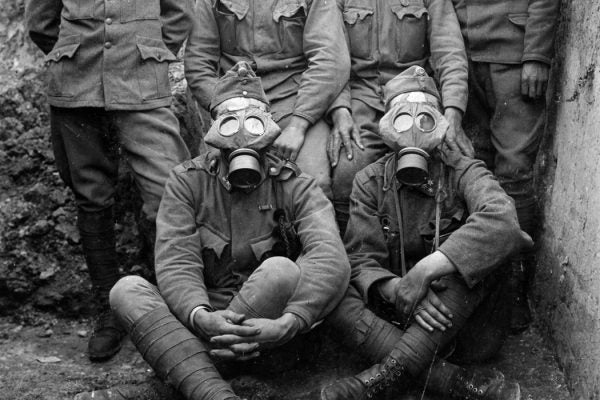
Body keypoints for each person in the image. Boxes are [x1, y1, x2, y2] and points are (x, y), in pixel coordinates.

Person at [104, 62, 350, 400]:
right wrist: (199, 315)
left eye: (253, 119)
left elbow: (330, 257)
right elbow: (177, 261)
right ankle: (217, 390)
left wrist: (289, 322)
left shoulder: (295, 184)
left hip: (264, 333)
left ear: (269, 124)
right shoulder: (187, 181)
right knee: (126, 289)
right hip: (203, 322)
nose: (242, 133)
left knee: (280, 272)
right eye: (230, 120)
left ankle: (183, 375)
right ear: (213, 126)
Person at [320, 67, 533, 400]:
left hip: (463, 328)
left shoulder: (465, 170)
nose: (415, 129)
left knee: (481, 259)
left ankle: (380, 380)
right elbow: (361, 259)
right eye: (403, 118)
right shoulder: (370, 181)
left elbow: (503, 222)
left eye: (426, 119)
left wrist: (426, 271)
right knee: (333, 292)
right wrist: (398, 289)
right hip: (400, 314)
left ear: (441, 123)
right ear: (387, 123)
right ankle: (454, 381)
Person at [25, 0, 193, 361]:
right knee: (91, 196)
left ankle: (180, 304)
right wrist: (77, 56)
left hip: (141, 84)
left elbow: (179, 16)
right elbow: (41, 23)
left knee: (170, 191)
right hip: (77, 83)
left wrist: (147, 52)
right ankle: (109, 311)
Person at [450, 0, 560, 331]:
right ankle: (484, 292)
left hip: (513, 56)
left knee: (512, 174)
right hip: (465, 58)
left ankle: (514, 292)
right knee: (475, 170)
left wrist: (536, 55)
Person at [329, 0, 474, 234]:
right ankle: (355, 256)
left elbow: (450, 53)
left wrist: (453, 112)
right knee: (347, 171)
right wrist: (340, 110)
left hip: (415, 94)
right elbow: (332, 58)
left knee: (448, 164)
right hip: (364, 98)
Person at [184, 0, 350, 199]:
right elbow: (198, 64)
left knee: (313, 183)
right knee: (223, 185)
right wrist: (225, 110)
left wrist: (298, 126)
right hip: (234, 103)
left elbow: (329, 60)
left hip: (295, 101)